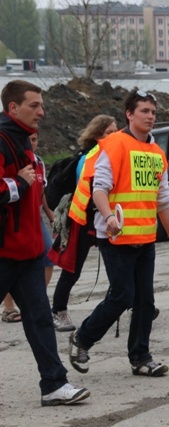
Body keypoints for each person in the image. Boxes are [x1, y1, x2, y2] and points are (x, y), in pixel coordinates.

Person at [67, 89, 169, 377]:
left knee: (146, 301)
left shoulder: (157, 154)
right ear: (129, 114)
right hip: (115, 238)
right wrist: (108, 217)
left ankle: (141, 357)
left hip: (145, 239)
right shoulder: (114, 145)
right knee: (122, 296)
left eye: (153, 112)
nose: (151, 116)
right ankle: (82, 339)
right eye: (144, 111)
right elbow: (99, 189)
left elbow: (163, 200)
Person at [0, 79, 90, 405]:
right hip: (3, 252)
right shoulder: (2, 142)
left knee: (40, 319)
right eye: (34, 105)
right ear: (13, 108)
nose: (42, 111)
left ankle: (54, 385)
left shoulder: (24, 144)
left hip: (27, 255)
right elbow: (8, 189)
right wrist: (18, 184)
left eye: (42, 104)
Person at [50, 115, 118, 332]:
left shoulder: (112, 155)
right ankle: (57, 310)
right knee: (73, 269)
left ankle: (135, 303)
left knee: (119, 264)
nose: (115, 136)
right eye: (109, 132)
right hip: (84, 220)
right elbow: (87, 189)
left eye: (116, 131)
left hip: (105, 217)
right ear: (97, 135)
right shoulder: (87, 159)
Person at [2, 132, 55, 323]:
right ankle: (9, 308)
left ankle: (35, 299)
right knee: (9, 266)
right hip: (14, 218)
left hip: (35, 217)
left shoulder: (38, 162)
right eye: (29, 140)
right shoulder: (13, 158)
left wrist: (51, 216)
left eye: (35, 140)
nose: (32, 143)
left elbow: (41, 193)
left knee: (49, 255)